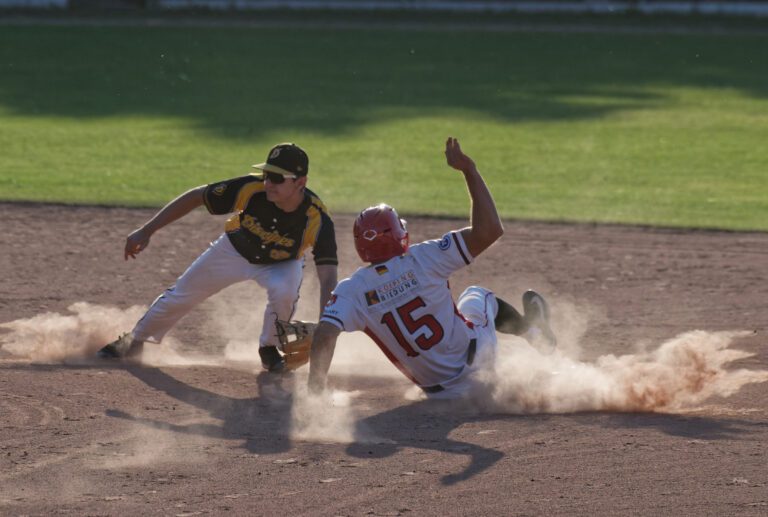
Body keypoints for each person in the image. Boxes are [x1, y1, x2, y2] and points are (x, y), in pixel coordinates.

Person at [308, 137, 556, 398]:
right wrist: (469, 170)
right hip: (478, 369)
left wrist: (315, 395)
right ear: (398, 235)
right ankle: (534, 333)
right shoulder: (423, 258)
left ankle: (522, 358)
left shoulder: (352, 291)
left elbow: (325, 334)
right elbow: (491, 231)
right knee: (477, 295)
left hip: (440, 395)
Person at [97, 142, 338, 373]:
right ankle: (135, 339)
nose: (268, 183)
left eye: (276, 178)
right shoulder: (250, 189)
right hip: (233, 250)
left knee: (284, 292)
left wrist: (326, 324)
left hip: (282, 264)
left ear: (301, 182)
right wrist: (146, 230)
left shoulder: (317, 219)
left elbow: (328, 277)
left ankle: (269, 349)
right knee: (180, 296)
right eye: (266, 176)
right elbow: (196, 197)